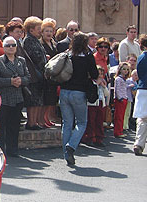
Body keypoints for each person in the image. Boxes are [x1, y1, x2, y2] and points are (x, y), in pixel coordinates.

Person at [59, 32, 99, 166]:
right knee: (81, 122)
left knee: (67, 123)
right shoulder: (88, 56)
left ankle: (66, 152)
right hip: (79, 92)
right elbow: (94, 74)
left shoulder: (67, 54)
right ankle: (71, 146)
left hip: (64, 91)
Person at [0, 36, 30, 157]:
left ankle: (13, 149)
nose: (11, 48)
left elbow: (28, 77)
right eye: (8, 45)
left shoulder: (21, 61)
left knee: (14, 126)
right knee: (1, 126)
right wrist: (10, 82)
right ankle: (0, 150)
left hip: (18, 98)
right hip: (4, 98)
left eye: (13, 45)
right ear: (3, 47)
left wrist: (20, 81)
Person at [22, 16, 47, 130]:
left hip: (39, 74)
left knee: (38, 100)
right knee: (33, 100)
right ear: (31, 29)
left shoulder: (35, 40)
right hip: (33, 74)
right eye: (38, 28)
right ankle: (31, 122)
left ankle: (35, 122)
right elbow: (35, 56)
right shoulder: (28, 40)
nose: (40, 31)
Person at [83, 65, 110, 147]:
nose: (100, 76)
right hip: (92, 104)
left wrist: (104, 86)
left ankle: (99, 138)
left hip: (100, 103)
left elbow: (107, 94)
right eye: (98, 73)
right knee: (91, 121)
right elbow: (91, 92)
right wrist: (96, 84)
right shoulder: (91, 82)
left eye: (101, 74)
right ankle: (90, 137)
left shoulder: (103, 83)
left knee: (99, 121)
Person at [40, 18, 58, 126]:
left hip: (53, 74)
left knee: (51, 98)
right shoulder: (41, 44)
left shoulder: (53, 43)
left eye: (51, 31)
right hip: (44, 74)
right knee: (45, 98)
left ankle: (47, 117)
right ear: (42, 32)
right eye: (46, 31)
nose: (49, 33)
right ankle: (42, 119)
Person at [113, 62, 131, 138]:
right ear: (120, 70)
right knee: (119, 116)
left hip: (124, 98)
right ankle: (117, 132)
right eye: (124, 69)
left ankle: (120, 130)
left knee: (122, 116)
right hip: (120, 99)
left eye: (127, 69)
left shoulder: (125, 79)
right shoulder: (118, 79)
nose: (126, 71)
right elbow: (116, 89)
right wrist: (120, 98)